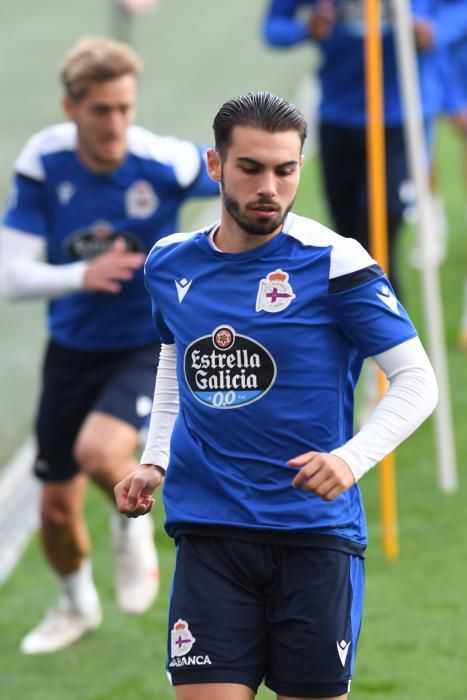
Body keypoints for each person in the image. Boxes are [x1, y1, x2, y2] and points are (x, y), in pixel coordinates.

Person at [114, 91, 438, 700]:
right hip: (211, 530)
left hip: (314, 536)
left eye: (285, 171)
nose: (270, 186)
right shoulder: (168, 263)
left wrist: (349, 460)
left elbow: (418, 380)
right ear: (216, 165)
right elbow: (174, 356)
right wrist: (156, 456)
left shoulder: (335, 263)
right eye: (252, 168)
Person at [0, 36, 219, 655]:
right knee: (54, 515)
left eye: (125, 108)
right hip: (70, 347)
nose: (116, 124)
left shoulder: (164, 163)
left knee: (101, 453)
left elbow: (235, 179)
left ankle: (133, 532)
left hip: (145, 345)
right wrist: (82, 277)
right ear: (72, 109)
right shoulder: (45, 162)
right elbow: (9, 274)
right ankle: (75, 605)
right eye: (101, 110)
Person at [262, 0, 466, 298]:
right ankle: (363, 324)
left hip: (403, 117)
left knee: (379, 223)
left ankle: (388, 329)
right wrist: (306, 28)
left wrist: (434, 31)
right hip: (339, 115)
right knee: (349, 237)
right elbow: (273, 27)